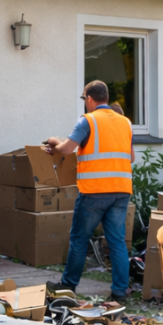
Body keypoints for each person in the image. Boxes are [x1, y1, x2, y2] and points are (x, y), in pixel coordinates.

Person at [44, 80, 132, 299]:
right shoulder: (126, 123)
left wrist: (55, 143)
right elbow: (131, 157)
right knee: (117, 242)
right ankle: (120, 291)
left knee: (80, 239)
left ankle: (68, 286)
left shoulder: (88, 120)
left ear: (90, 99)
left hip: (94, 191)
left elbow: (67, 149)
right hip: (121, 191)